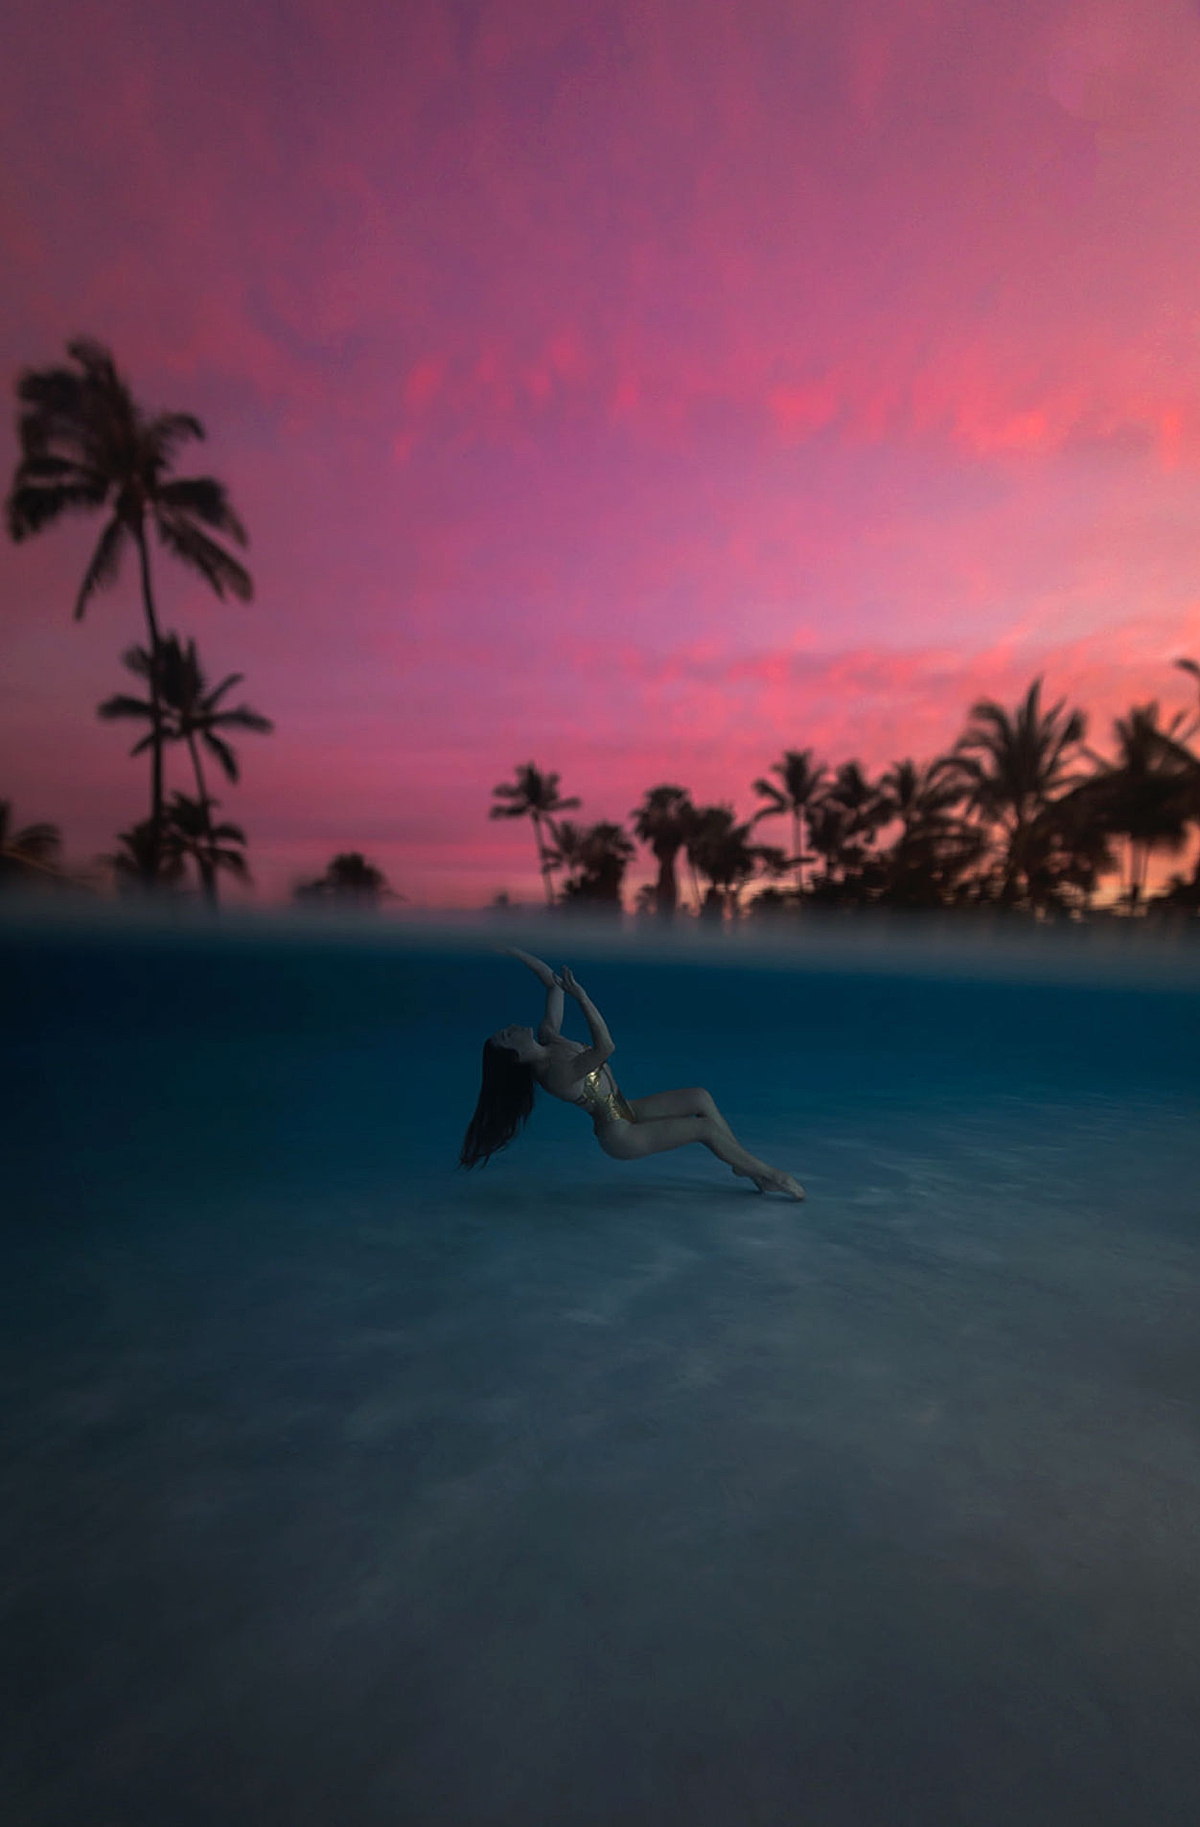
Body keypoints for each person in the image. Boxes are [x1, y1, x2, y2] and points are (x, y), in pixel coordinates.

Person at [459, 947, 805, 1199]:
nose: (509, 1027)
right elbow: (605, 1048)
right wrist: (581, 997)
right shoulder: (555, 1074)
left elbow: (551, 984)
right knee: (703, 1128)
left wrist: (513, 951)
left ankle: (745, 1166)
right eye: (505, 1035)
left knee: (700, 1096)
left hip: (627, 1109)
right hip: (620, 1134)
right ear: (515, 1056)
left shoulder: (550, 1037)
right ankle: (770, 1173)